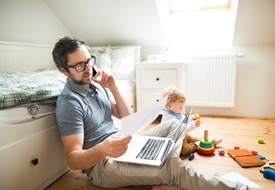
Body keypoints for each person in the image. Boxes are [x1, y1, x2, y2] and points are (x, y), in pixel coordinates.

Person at [52, 36, 247, 190]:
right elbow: (73, 159)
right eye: (79, 66)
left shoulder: (96, 86)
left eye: (89, 61)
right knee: (173, 168)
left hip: (124, 146)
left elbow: (126, 118)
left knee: (173, 125)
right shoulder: (69, 103)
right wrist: (103, 149)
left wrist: (113, 87)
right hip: (103, 165)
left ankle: (162, 173)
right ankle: (237, 188)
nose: (88, 69)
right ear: (64, 71)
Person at [161, 88, 222, 156]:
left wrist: (191, 118)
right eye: (180, 107)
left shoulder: (175, 111)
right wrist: (193, 125)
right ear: (169, 105)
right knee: (184, 150)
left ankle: (211, 141)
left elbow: (183, 121)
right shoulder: (169, 118)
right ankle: (197, 145)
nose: (182, 108)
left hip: (183, 136)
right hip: (176, 141)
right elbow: (181, 130)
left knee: (193, 138)